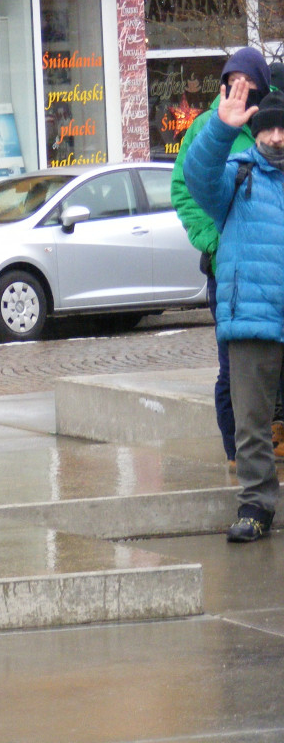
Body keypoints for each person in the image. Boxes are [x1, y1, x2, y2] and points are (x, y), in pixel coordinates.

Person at [184, 82, 284, 542]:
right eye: (268, 128)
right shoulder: (236, 175)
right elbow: (196, 175)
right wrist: (221, 130)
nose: (277, 137)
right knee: (252, 425)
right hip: (252, 319)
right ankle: (255, 506)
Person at [172, 48, 273, 470]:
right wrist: (217, 240)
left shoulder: (272, 123)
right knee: (232, 367)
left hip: (269, 270)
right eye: (233, 83)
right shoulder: (205, 128)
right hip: (227, 271)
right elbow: (186, 188)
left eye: (249, 86)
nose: (239, 92)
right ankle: (236, 452)